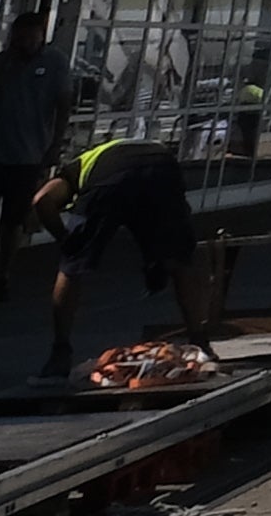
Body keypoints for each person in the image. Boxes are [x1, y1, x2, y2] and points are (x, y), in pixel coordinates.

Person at [33, 130, 209, 374]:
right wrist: (157, 258)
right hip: (162, 166)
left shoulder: (74, 173)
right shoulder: (107, 152)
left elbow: (42, 201)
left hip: (111, 178)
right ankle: (200, 341)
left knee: (71, 268)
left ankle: (60, 350)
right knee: (182, 260)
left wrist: (65, 240)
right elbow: (142, 218)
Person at [0, 14, 72, 308]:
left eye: (33, 38)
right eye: (22, 38)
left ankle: (3, 276)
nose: (27, 44)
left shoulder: (55, 63)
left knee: (14, 219)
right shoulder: (0, 63)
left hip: (28, 155)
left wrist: (55, 146)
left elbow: (64, 104)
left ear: (41, 37)